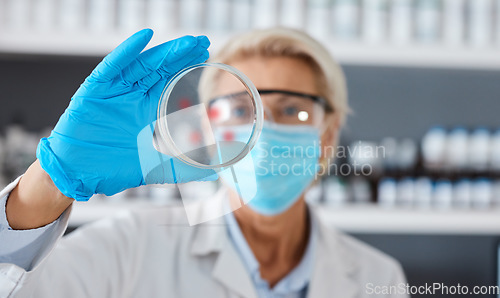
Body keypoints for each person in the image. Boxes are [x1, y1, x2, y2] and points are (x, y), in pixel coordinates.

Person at [0, 28, 407, 298]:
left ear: (328, 136)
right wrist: (52, 180)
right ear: (206, 129)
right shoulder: (128, 248)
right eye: (239, 110)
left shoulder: (378, 278)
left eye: (292, 111)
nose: (262, 130)